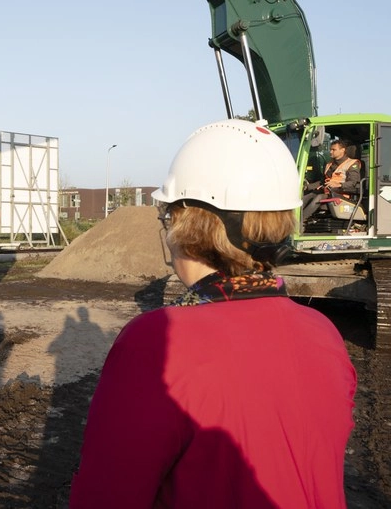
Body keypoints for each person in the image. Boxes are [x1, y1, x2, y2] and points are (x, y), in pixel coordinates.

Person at [69, 119, 357, 508]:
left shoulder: (158, 342)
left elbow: (106, 495)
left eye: (169, 217)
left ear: (189, 225)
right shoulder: (323, 332)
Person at [302, 139, 362, 220]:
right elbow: (323, 181)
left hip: (343, 194)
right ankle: (295, 218)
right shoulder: (329, 164)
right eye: (330, 149)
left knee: (319, 197)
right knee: (308, 195)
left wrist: (339, 185)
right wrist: (307, 187)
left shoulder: (352, 164)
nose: (330, 152)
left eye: (334, 150)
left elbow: (354, 183)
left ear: (342, 150)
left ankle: (301, 222)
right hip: (328, 192)